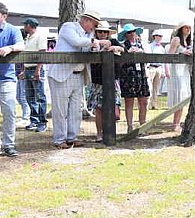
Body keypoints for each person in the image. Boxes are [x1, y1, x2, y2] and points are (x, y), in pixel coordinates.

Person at [49, 10, 109, 149]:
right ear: (86, 20)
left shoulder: (89, 35)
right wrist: (96, 42)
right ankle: (59, 139)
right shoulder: (68, 27)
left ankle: (72, 137)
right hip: (61, 75)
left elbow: (89, 49)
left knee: (76, 109)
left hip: (79, 74)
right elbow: (76, 42)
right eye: (93, 25)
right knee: (60, 109)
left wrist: (97, 47)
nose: (93, 28)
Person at [0, 2, 25, 157]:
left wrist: (10, 48)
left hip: (7, 78)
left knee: (9, 111)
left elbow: (22, 45)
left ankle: (9, 144)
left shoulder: (13, 30)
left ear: (4, 16)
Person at [87, 21, 124, 142]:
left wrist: (115, 48)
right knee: (99, 108)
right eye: (100, 31)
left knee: (113, 105)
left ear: (108, 33)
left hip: (113, 79)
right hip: (98, 80)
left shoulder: (113, 42)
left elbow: (124, 49)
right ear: (96, 32)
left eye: (105, 32)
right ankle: (99, 133)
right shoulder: (92, 42)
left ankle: (111, 132)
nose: (102, 34)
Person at [117, 23, 150, 133]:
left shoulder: (142, 44)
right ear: (125, 35)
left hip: (141, 75)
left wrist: (142, 53)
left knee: (144, 102)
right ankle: (130, 126)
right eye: (129, 32)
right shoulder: (122, 46)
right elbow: (119, 63)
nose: (131, 34)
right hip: (128, 77)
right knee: (129, 102)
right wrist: (128, 54)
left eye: (133, 32)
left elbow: (149, 58)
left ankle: (142, 125)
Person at [20, 18, 48, 132]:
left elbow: (42, 54)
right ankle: (34, 120)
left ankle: (42, 122)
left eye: (25, 25)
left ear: (29, 26)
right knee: (29, 96)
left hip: (36, 69)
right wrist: (23, 70)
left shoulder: (40, 36)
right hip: (28, 69)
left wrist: (38, 70)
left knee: (40, 96)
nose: (24, 28)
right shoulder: (27, 38)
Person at [165, 21, 193, 132]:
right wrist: (182, 53)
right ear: (181, 29)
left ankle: (177, 122)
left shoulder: (188, 41)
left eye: (189, 27)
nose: (187, 29)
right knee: (178, 96)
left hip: (185, 70)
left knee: (183, 96)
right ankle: (175, 123)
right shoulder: (176, 40)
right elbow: (169, 56)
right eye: (185, 27)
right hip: (176, 71)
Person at [144, 29, 165, 110]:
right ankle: (147, 104)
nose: (159, 37)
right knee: (149, 87)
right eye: (158, 35)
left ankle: (154, 104)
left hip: (159, 68)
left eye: (160, 36)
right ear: (154, 36)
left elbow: (163, 60)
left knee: (156, 88)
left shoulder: (162, 48)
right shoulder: (150, 46)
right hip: (151, 67)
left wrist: (163, 71)